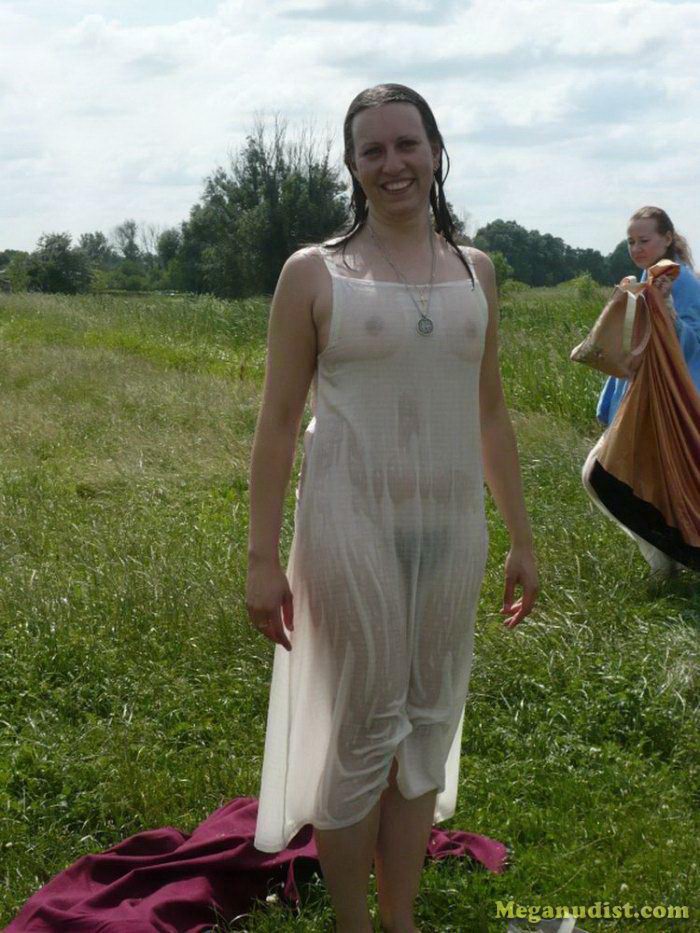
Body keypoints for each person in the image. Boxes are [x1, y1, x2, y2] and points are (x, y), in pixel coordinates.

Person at [245, 84, 538, 933]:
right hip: (348, 525)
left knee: (427, 727)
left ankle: (400, 919)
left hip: (451, 529)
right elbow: (276, 423)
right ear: (352, 165)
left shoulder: (476, 270)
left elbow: (490, 412)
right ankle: (351, 923)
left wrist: (520, 537)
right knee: (367, 725)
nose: (392, 163)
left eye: (407, 144)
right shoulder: (315, 272)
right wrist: (262, 559)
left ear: (436, 151)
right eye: (371, 150)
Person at [596, 206, 700, 575]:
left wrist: (667, 309)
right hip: (650, 397)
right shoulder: (649, 276)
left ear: (667, 238)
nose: (636, 248)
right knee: (642, 483)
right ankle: (668, 562)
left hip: (672, 400)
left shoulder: (682, 281)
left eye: (644, 240)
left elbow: (693, 340)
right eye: (631, 241)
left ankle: (668, 562)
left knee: (602, 477)